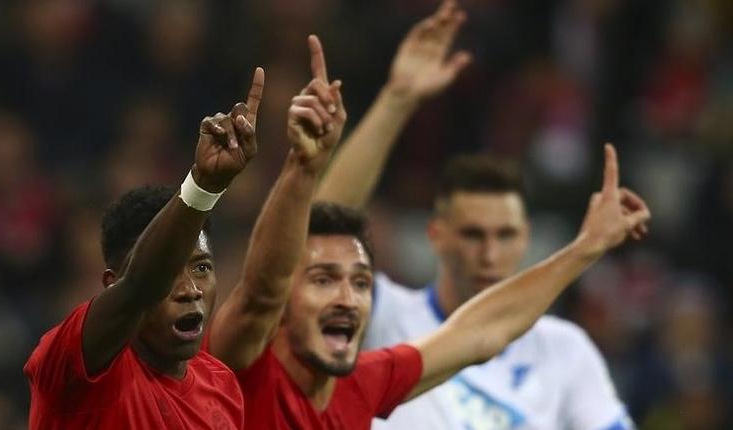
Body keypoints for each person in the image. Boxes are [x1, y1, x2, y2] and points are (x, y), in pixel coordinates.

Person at [224, 28, 651, 430]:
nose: (347, 297)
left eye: (359, 282)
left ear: (526, 237)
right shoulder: (264, 361)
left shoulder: (363, 385)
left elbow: (482, 332)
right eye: (472, 234)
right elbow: (291, 259)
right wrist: (310, 162)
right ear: (436, 235)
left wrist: (586, 248)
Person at [24, 67, 266, 429]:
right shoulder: (74, 364)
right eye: (170, 273)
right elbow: (142, 286)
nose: (190, 290)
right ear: (111, 283)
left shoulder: (221, 387)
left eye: (201, 267)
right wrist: (202, 187)